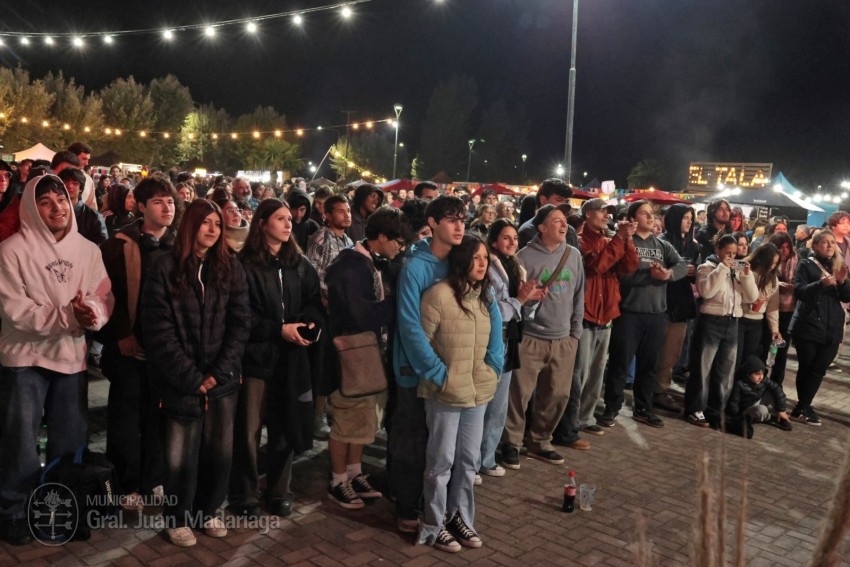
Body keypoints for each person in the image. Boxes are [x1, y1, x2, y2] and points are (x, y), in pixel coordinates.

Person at [0, 174, 113, 546]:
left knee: (69, 439)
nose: (57, 208)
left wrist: (92, 314)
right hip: (24, 358)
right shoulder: (12, 250)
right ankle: (15, 510)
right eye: (46, 202)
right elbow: (14, 310)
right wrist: (69, 317)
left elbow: (103, 296)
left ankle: (59, 506)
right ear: (33, 207)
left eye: (61, 199)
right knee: (21, 440)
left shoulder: (88, 250)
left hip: (71, 358)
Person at [141, 199, 251, 547]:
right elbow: (158, 330)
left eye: (217, 224)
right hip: (180, 381)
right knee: (179, 456)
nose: (212, 229)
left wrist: (219, 372)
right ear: (190, 225)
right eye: (205, 222)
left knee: (220, 451)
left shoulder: (230, 267)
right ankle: (178, 517)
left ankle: (209, 510)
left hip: (222, 381)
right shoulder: (164, 267)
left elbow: (240, 321)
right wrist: (190, 377)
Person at [230, 200, 323, 520]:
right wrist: (277, 330)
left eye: (288, 219)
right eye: (280, 219)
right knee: (249, 430)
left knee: (285, 426)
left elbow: (314, 302)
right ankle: (243, 493)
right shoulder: (244, 264)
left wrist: (310, 324)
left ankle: (280, 490)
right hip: (256, 360)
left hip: (291, 359)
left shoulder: (298, 263)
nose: (287, 224)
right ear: (262, 223)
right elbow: (240, 315)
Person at [417, 235, 503, 553]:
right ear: (462, 259)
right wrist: (441, 377)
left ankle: (459, 517)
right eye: (477, 257)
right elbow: (421, 343)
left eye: (485, 258)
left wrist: (493, 370)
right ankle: (434, 523)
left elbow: (495, 341)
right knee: (441, 462)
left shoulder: (484, 297)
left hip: (477, 391)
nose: (483, 264)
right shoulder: (437, 295)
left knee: (469, 460)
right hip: (444, 393)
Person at [99, 174, 177, 511]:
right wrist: (121, 335)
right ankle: (126, 482)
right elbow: (106, 294)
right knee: (126, 417)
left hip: (165, 348)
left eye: (170, 201)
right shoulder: (119, 243)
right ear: (141, 206)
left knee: (158, 416)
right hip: (129, 346)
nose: (167, 207)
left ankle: (153, 479)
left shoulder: (178, 244)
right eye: (158, 202)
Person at [324, 208, 410, 509]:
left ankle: (354, 473)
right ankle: (337, 480)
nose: (401, 248)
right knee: (346, 420)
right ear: (382, 237)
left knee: (364, 420)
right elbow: (363, 315)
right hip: (350, 356)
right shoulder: (349, 266)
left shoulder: (372, 263)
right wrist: (397, 302)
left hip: (369, 354)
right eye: (398, 241)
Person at [389, 195, 466, 533]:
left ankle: (435, 505)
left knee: (443, 444)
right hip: (415, 372)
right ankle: (405, 503)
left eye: (462, 218)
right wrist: (433, 369)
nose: (459, 225)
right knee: (412, 439)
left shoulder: (460, 263)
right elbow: (409, 326)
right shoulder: (415, 267)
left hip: (450, 369)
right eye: (451, 219)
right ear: (433, 223)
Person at [501, 203, 585, 467]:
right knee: (519, 395)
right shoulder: (523, 257)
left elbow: (579, 294)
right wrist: (527, 302)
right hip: (531, 338)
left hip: (564, 339)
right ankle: (512, 443)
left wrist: (575, 333)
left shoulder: (573, 255)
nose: (564, 225)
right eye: (558, 220)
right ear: (542, 227)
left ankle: (540, 441)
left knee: (558, 394)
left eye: (565, 221)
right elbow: (516, 299)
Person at [597, 200, 686, 429]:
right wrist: (648, 276)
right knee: (619, 364)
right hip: (628, 313)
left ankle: (643, 408)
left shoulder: (662, 245)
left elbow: (682, 266)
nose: (649, 217)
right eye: (644, 213)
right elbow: (618, 274)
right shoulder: (627, 242)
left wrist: (667, 274)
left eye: (651, 213)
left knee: (649, 365)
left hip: (656, 315)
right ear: (633, 218)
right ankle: (611, 408)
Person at [555, 199, 638, 444]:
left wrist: (627, 240)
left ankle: (586, 418)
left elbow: (629, 266)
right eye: (602, 211)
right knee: (579, 373)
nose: (606, 216)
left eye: (608, 212)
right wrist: (619, 240)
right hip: (588, 314)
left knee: (596, 373)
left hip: (607, 313)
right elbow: (598, 265)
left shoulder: (609, 239)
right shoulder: (580, 240)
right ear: (588, 214)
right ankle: (570, 422)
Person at [479, 220, 545, 476]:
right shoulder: (487, 267)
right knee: (483, 404)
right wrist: (520, 300)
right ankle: (472, 462)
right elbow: (491, 309)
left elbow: (521, 311)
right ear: (494, 241)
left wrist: (531, 301)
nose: (512, 242)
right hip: (492, 339)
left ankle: (487, 458)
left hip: (512, 338)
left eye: (515, 238)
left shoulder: (516, 268)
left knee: (499, 406)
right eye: (505, 238)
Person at [683, 234, 758, 428]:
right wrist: (723, 268)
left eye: (735, 253)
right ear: (718, 251)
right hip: (711, 321)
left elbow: (752, 297)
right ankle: (695, 408)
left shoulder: (739, 270)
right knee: (703, 368)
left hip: (733, 322)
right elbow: (706, 291)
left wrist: (747, 276)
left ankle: (716, 410)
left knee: (725, 370)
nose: (732, 257)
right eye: (728, 253)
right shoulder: (706, 267)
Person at [788, 230, 850, 426]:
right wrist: (821, 283)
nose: (830, 246)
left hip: (832, 328)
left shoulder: (839, 267)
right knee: (807, 368)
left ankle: (802, 406)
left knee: (819, 369)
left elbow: (846, 297)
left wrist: (842, 282)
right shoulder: (805, 265)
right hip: (808, 325)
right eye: (825, 242)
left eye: (833, 242)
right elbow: (800, 292)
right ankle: (802, 407)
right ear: (814, 246)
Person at [655, 204, 699, 413]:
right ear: (674, 219)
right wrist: (679, 270)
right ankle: (655, 391)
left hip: (682, 302)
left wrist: (694, 271)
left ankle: (662, 387)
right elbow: (658, 271)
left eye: (691, 218)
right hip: (663, 301)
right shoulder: (662, 242)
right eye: (685, 217)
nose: (689, 221)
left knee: (674, 350)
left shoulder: (693, 245)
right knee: (659, 349)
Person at [724, 355, 792, 438]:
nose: (761, 377)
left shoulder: (764, 380)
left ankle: (780, 416)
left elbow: (777, 389)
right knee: (761, 410)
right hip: (747, 409)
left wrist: (781, 409)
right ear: (748, 373)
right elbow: (733, 403)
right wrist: (735, 418)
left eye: (762, 373)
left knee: (773, 392)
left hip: (758, 400)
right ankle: (772, 418)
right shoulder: (739, 384)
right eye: (757, 374)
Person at [736, 243, 781, 368]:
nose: (772, 267)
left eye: (775, 264)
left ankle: (745, 385)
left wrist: (775, 329)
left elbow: (773, 306)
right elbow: (730, 264)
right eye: (771, 262)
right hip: (739, 318)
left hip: (757, 321)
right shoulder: (745, 267)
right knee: (736, 357)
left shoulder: (772, 279)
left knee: (749, 358)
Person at [767, 232, 798, 385]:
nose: (784, 251)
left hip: (788, 309)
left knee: (782, 351)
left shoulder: (796, 259)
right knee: (765, 347)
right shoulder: (767, 259)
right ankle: (758, 382)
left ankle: (776, 385)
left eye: (787, 247)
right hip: (768, 308)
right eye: (781, 247)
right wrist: (776, 283)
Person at [517, 179, 579, 249]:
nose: (564, 205)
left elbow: (578, 258)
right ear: (543, 200)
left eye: (567, 201)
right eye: (559, 200)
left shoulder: (570, 231)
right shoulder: (528, 231)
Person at [59, 167, 108, 245]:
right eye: (65, 182)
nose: (69, 186)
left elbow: (103, 245)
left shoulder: (94, 216)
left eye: (75, 183)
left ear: (81, 188)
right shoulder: (53, 212)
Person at [695, 199, 731, 263]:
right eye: (720, 209)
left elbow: (737, 259)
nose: (725, 213)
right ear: (712, 212)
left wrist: (743, 266)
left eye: (727, 209)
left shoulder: (730, 233)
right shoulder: (703, 234)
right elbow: (706, 262)